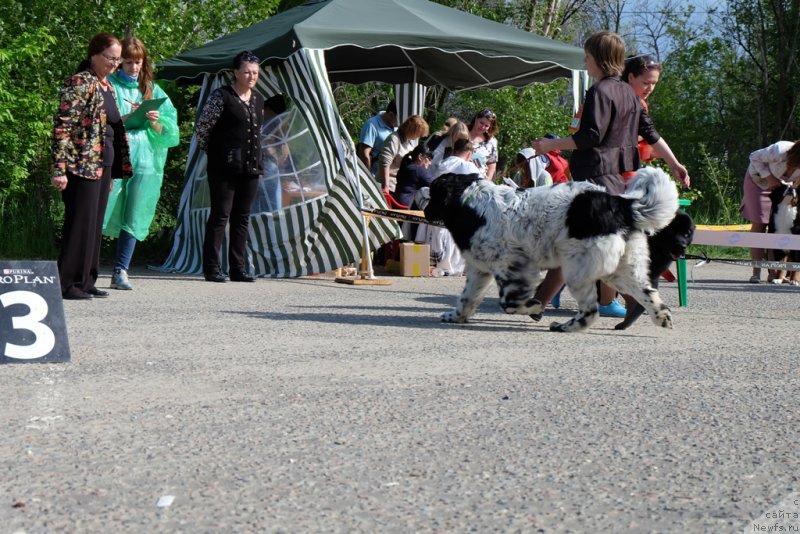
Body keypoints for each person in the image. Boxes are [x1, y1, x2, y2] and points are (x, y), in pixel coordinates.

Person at [532, 30, 677, 318]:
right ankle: (636, 302)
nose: (585, 63)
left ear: (599, 58)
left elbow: (590, 137)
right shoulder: (629, 94)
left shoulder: (599, 92)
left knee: (575, 242)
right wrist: (675, 163)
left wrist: (549, 145)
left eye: (587, 57)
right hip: (615, 180)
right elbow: (650, 133)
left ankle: (538, 303)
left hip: (593, 178)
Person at [51, 32, 132, 300]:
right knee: (80, 224)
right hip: (81, 164)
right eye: (110, 58)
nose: (114, 64)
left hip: (103, 164)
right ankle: (67, 283)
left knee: (95, 224)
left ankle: (86, 280)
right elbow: (63, 127)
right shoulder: (81, 82)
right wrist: (59, 168)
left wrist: (113, 173)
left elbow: (109, 126)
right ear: (94, 55)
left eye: (118, 60)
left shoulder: (107, 86)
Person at [102, 37, 179, 291]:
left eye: (138, 62)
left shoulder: (152, 90)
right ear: (119, 62)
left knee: (135, 213)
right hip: (115, 156)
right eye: (128, 62)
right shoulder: (108, 85)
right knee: (101, 208)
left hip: (146, 161)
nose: (134, 67)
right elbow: (97, 121)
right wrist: (124, 118)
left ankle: (120, 270)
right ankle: (85, 266)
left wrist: (154, 120)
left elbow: (170, 133)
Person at [195, 51, 265, 283]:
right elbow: (202, 129)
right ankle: (212, 267)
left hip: (251, 165)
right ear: (236, 72)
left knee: (242, 217)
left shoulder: (258, 99)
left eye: (255, 73)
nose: (251, 76)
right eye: (247, 72)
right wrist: (218, 153)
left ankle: (238, 268)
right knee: (220, 215)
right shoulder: (221, 96)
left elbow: (258, 132)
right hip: (223, 168)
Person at [620, 54, 690, 188]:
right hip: (614, 173)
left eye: (654, 83)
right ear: (630, 77)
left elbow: (648, 134)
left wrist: (652, 152)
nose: (650, 88)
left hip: (628, 169)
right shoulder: (622, 100)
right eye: (646, 83)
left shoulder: (641, 103)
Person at [740, 140, 800, 283]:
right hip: (758, 182)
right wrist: (769, 177)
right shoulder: (779, 150)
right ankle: (756, 272)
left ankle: (775, 273)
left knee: (777, 229)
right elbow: (754, 156)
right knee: (760, 222)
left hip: (782, 190)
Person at [252, 94, 289, 213]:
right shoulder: (278, 120)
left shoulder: (255, 117)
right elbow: (268, 144)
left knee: (253, 209)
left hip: (251, 165)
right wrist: (277, 158)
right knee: (272, 211)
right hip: (268, 166)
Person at [376, 114, 429, 195]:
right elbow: (384, 163)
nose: (419, 136)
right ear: (412, 130)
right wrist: (385, 186)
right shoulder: (393, 139)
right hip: (389, 186)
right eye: (418, 134)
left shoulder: (411, 141)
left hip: (400, 186)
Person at [357, 100, 397, 175]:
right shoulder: (371, 125)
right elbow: (364, 154)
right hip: (374, 175)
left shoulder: (396, 127)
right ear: (391, 115)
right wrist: (368, 177)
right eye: (398, 120)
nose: (400, 123)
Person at [467, 109, 499, 180]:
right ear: (476, 119)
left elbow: (492, 163)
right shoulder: (462, 133)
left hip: (479, 180)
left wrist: (488, 179)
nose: (483, 127)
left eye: (486, 126)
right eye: (481, 123)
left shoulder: (492, 141)